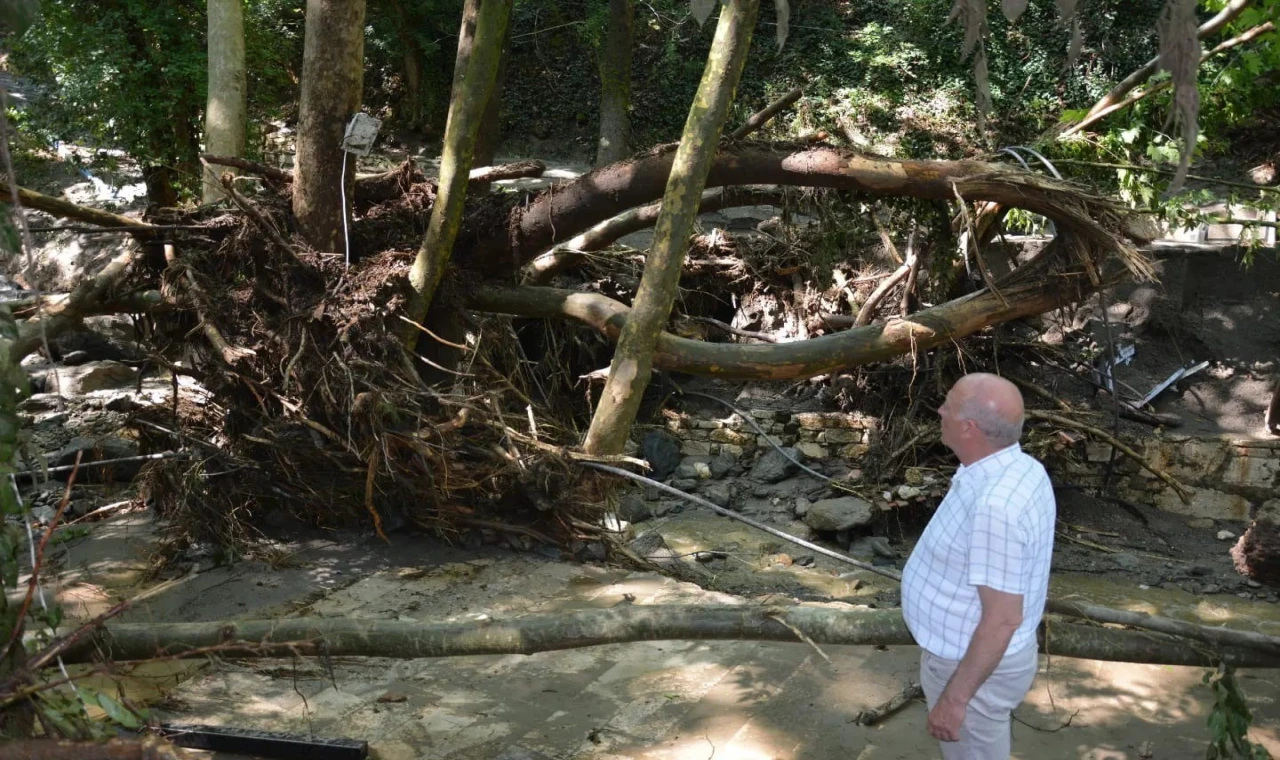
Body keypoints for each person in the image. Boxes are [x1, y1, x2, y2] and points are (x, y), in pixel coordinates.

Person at [901, 372, 1056, 759]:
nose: (939, 410)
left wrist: (955, 699)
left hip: (971, 667)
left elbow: (1002, 618)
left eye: (948, 406)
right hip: (979, 659)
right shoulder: (1019, 469)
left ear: (969, 428)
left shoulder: (996, 506)